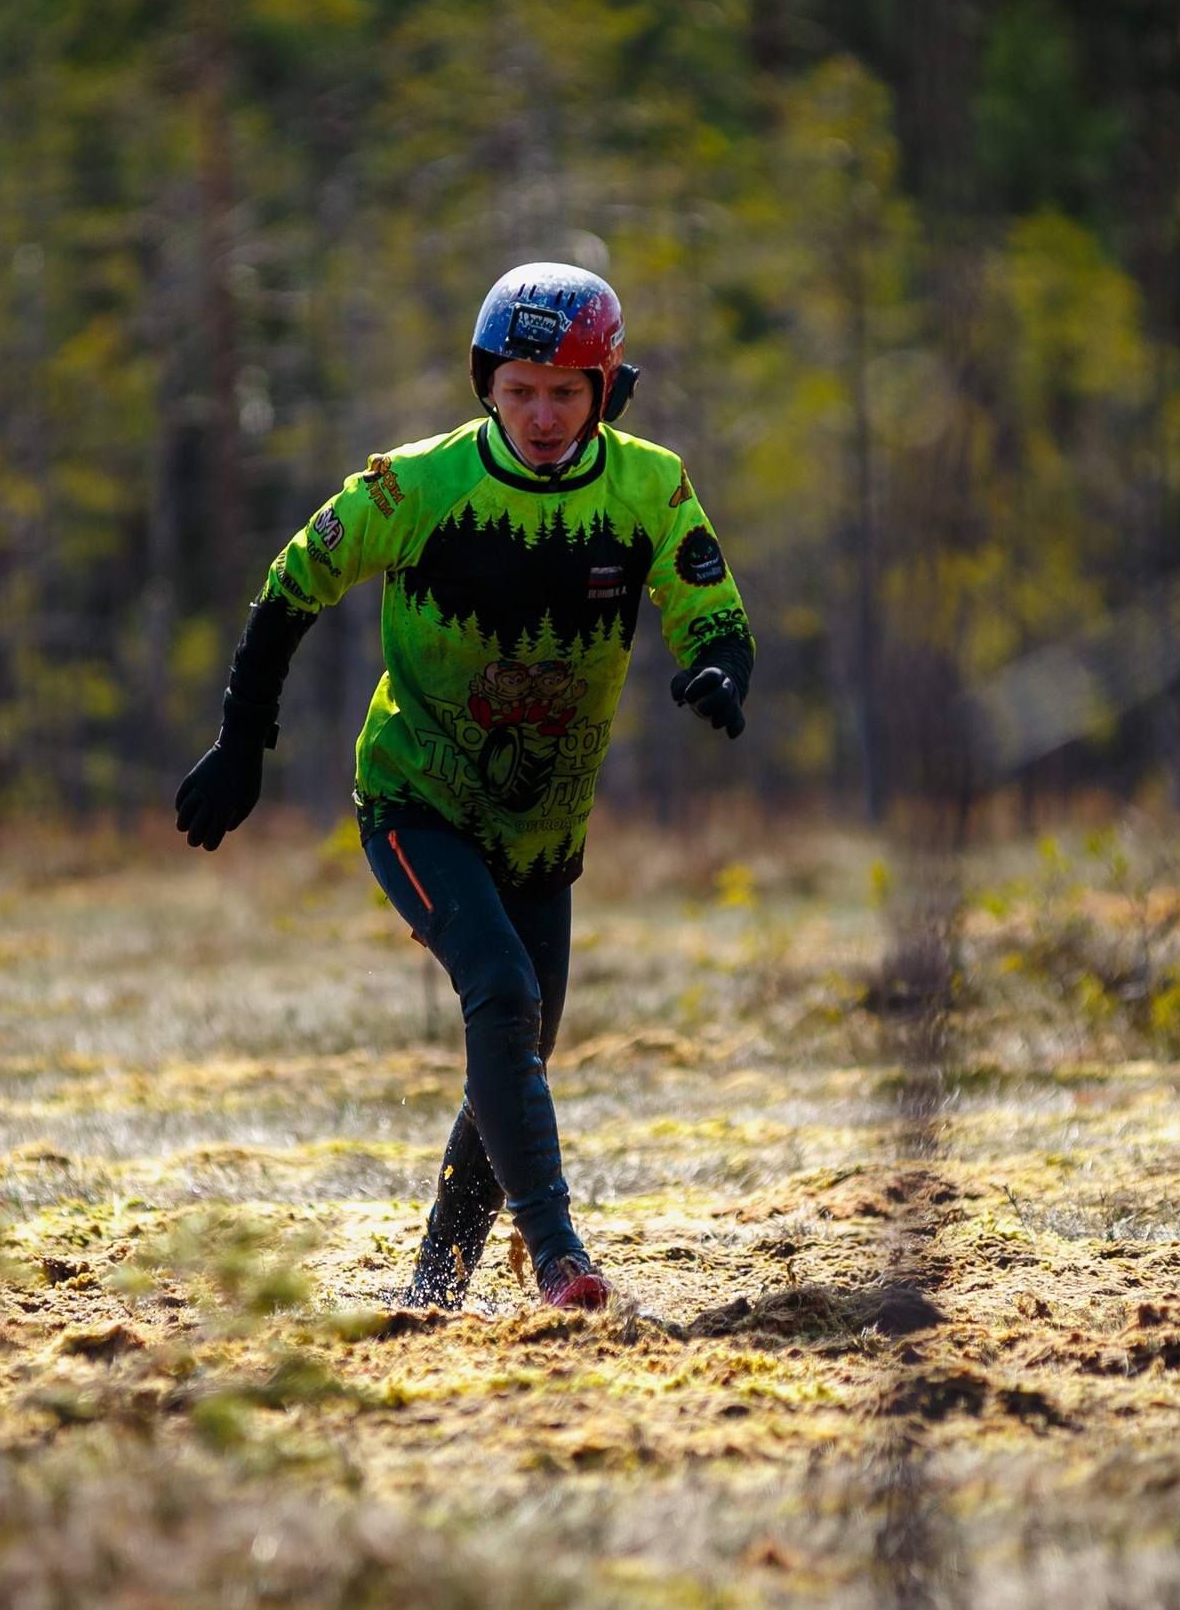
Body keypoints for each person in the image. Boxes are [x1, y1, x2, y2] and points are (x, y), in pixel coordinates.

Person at [174, 263, 754, 1311]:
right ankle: (561, 1254)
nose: (542, 414)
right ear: (485, 382)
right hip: (415, 802)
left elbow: (708, 598)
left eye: (567, 392)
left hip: (544, 827)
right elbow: (288, 587)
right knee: (502, 991)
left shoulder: (650, 485)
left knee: (518, 1045)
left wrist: (723, 664)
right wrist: (242, 738)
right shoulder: (414, 486)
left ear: (607, 390)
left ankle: (433, 1288)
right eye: (521, 389)